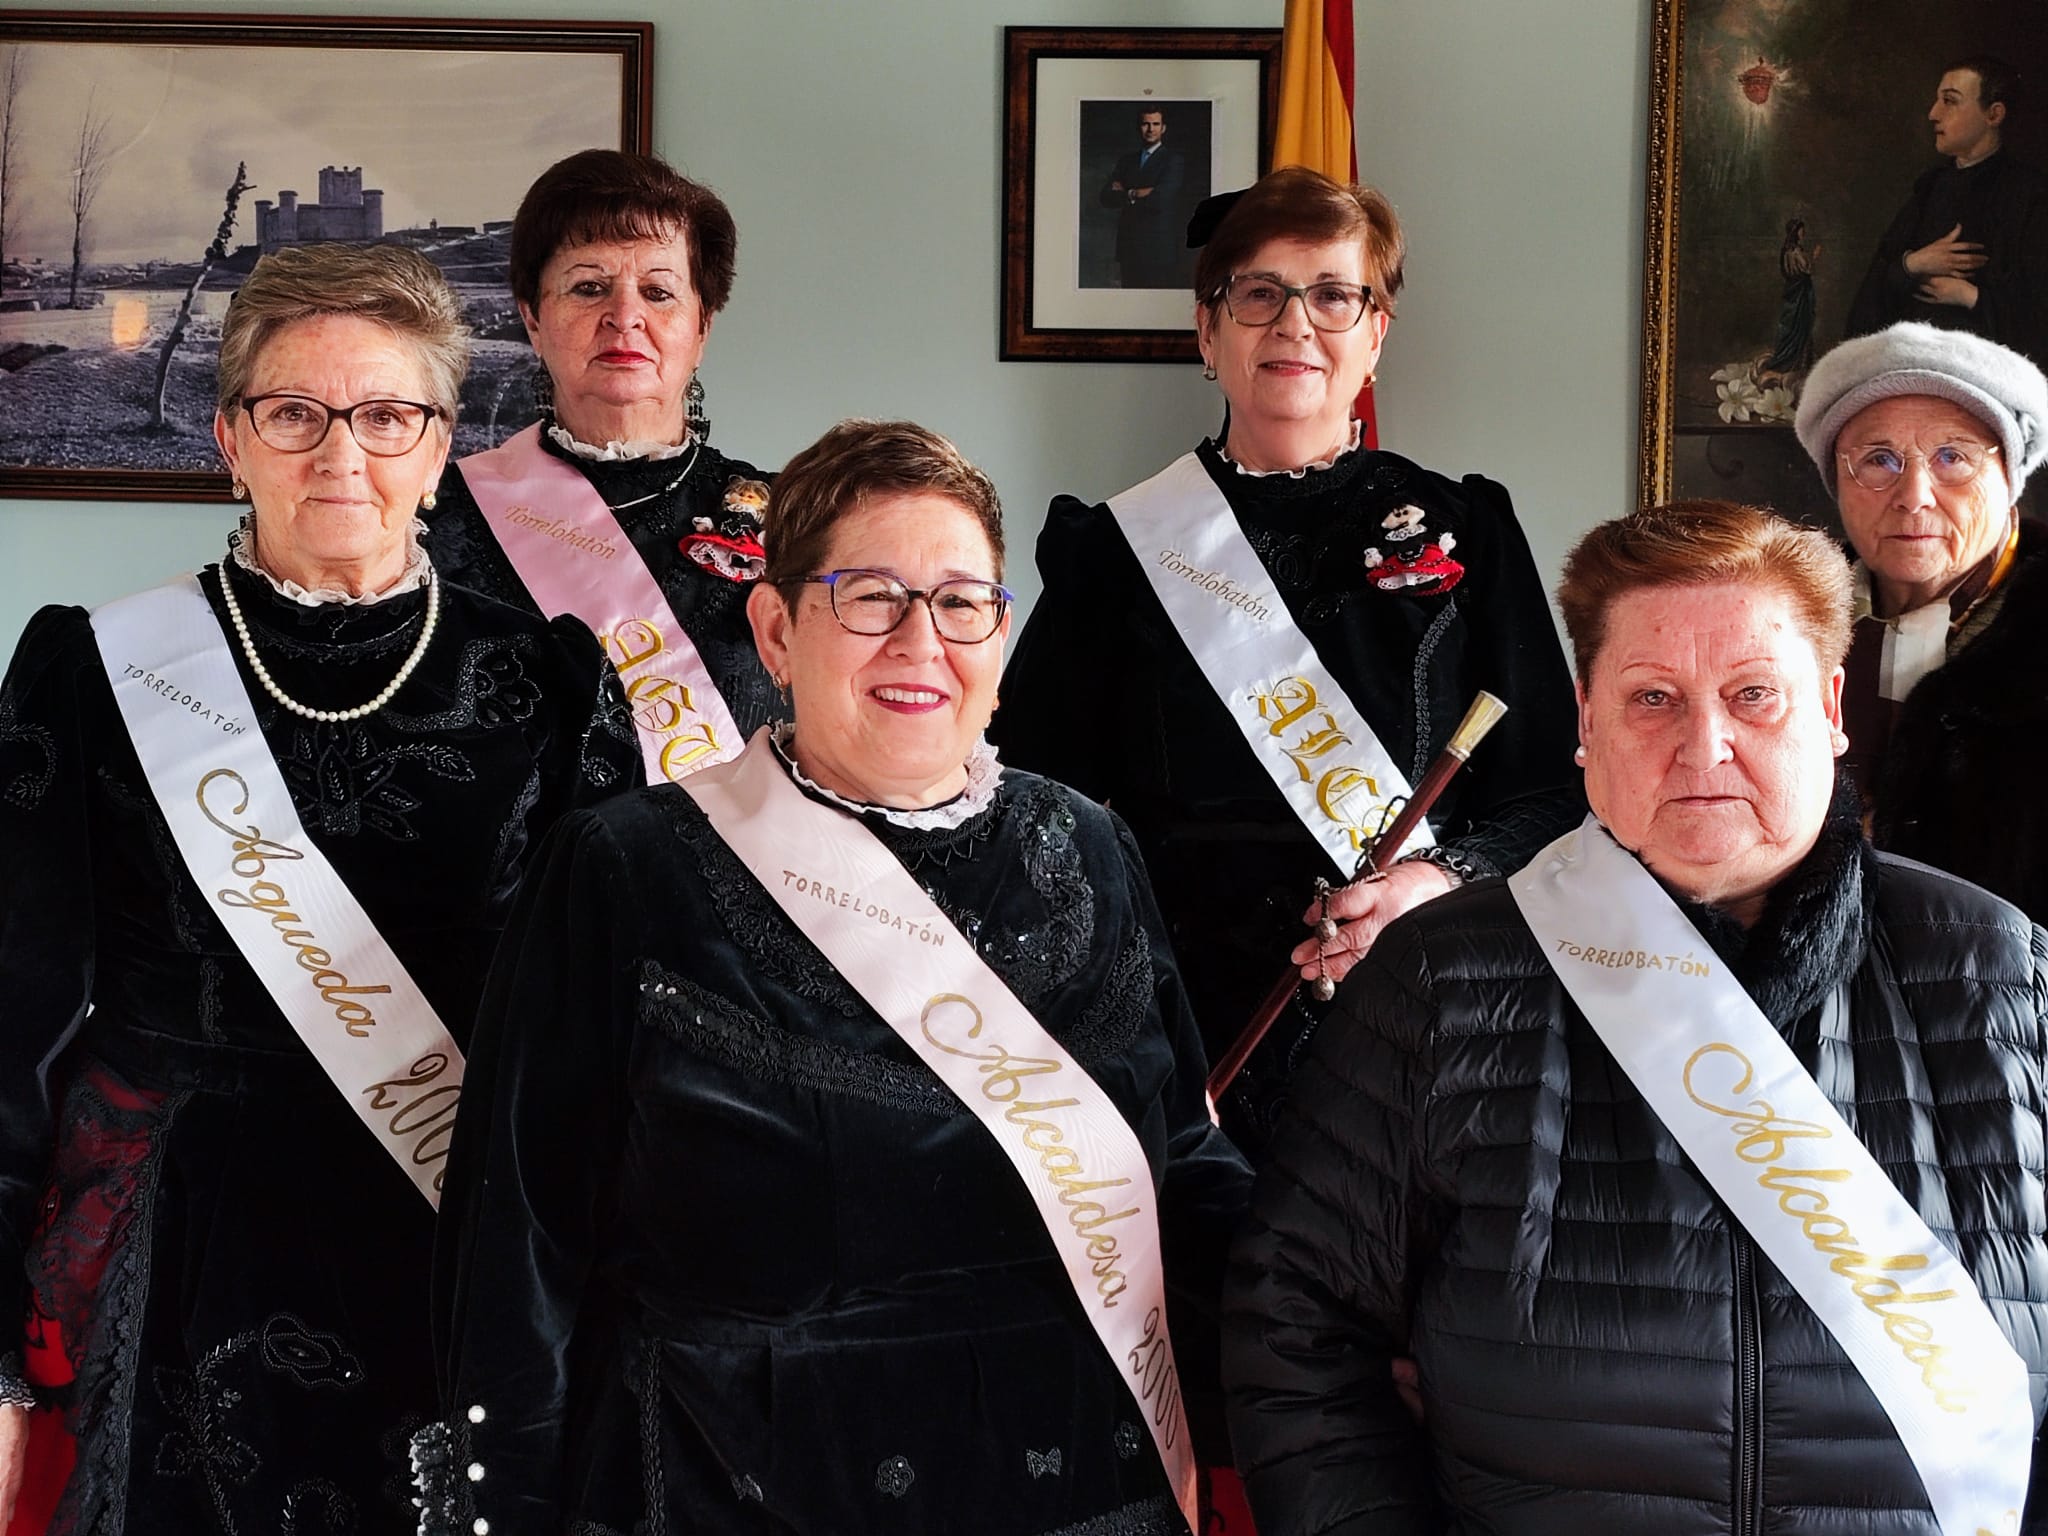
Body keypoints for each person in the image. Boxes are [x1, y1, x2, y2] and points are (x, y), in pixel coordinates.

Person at [414, 420, 1253, 1536]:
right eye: (869, 598)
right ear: (773, 630)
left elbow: (1179, 1156)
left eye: (961, 602)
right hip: (744, 1490)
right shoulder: (624, 866)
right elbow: (520, 1241)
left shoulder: (1088, 842)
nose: (921, 642)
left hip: (1080, 1485)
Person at [1224, 498, 2048, 1531]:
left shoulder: (1992, 965)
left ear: (1831, 709)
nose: (1703, 748)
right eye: (1651, 698)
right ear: (1582, 720)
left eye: (1753, 695)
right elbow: (1296, 1329)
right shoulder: (1440, 976)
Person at [0, 242, 638, 1535]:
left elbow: (618, 1011)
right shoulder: (90, 668)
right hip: (170, 1241)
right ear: (231, 438)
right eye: (293, 412)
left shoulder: (547, 680)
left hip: (462, 1240)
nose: (340, 453)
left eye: (387, 414)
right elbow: (5, 1010)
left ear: (439, 443)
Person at [995, 166, 1582, 1153]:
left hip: (1425, 1024)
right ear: (1207, 331)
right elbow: (1033, 810)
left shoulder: (1464, 529)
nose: (1292, 324)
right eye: (1257, 293)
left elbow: (1552, 796)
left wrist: (1433, 884)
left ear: (1374, 335)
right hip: (1177, 1037)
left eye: (1331, 295)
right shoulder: (1113, 551)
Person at [425, 148, 778, 779]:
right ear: (533, 318)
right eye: (589, 288)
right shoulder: (433, 518)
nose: (625, 316)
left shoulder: (792, 521)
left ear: (703, 325)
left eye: (659, 291)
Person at [1792, 319, 2048, 921]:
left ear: (2009, 478)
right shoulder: (1779, 619)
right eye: (1878, 460)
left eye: (1952, 457)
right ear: (1837, 481)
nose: (1914, 495)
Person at [1845, 56, 2048, 369]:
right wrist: (1914, 264)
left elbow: (2038, 315)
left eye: (1950, 101)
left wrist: (1970, 296)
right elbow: (1867, 309)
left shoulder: (2031, 195)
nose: (1933, 114)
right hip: (1914, 368)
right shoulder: (1929, 190)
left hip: (1993, 376)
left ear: (1993, 114)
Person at [1099, 108, 1187, 289]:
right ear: (1139, 127)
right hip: (1129, 247)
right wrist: (1135, 193)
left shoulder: (1173, 160)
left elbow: (1161, 199)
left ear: (1163, 128)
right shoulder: (1126, 161)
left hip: (1158, 248)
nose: (1150, 129)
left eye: (1155, 124)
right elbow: (1106, 197)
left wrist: (1125, 192)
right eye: (1146, 124)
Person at [1758, 216, 1820, 381]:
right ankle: (1789, 361)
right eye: (1801, 230)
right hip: (1798, 295)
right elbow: (1807, 270)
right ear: (1795, 232)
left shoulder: (1790, 250)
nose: (1803, 233)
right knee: (1797, 326)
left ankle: (1798, 361)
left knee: (1797, 326)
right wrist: (1814, 256)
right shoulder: (1794, 252)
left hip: (1797, 294)